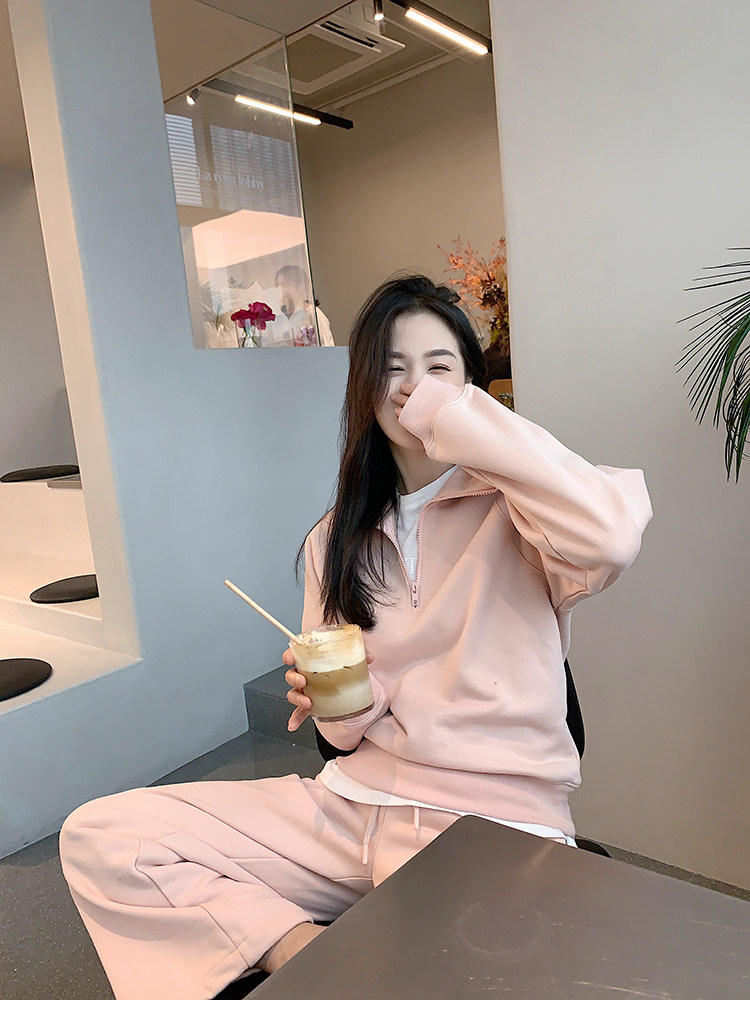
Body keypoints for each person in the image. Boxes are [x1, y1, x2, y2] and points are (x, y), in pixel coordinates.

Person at [58, 275, 652, 1000]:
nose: (413, 388)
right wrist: (339, 701)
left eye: (439, 367)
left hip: (493, 825)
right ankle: (304, 951)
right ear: (364, 389)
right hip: (349, 809)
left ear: (474, 390)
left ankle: (360, 962)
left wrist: (455, 417)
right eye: (392, 369)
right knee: (106, 835)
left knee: (463, 988)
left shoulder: (527, 517)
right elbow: (341, 739)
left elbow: (611, 536)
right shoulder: (334, 539)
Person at [274, 263, 335, 346]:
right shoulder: (286, 319)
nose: (282, 291)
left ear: (301, 286)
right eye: (279, 286)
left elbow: (327, 348)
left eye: (286, 285)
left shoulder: (313, 314)